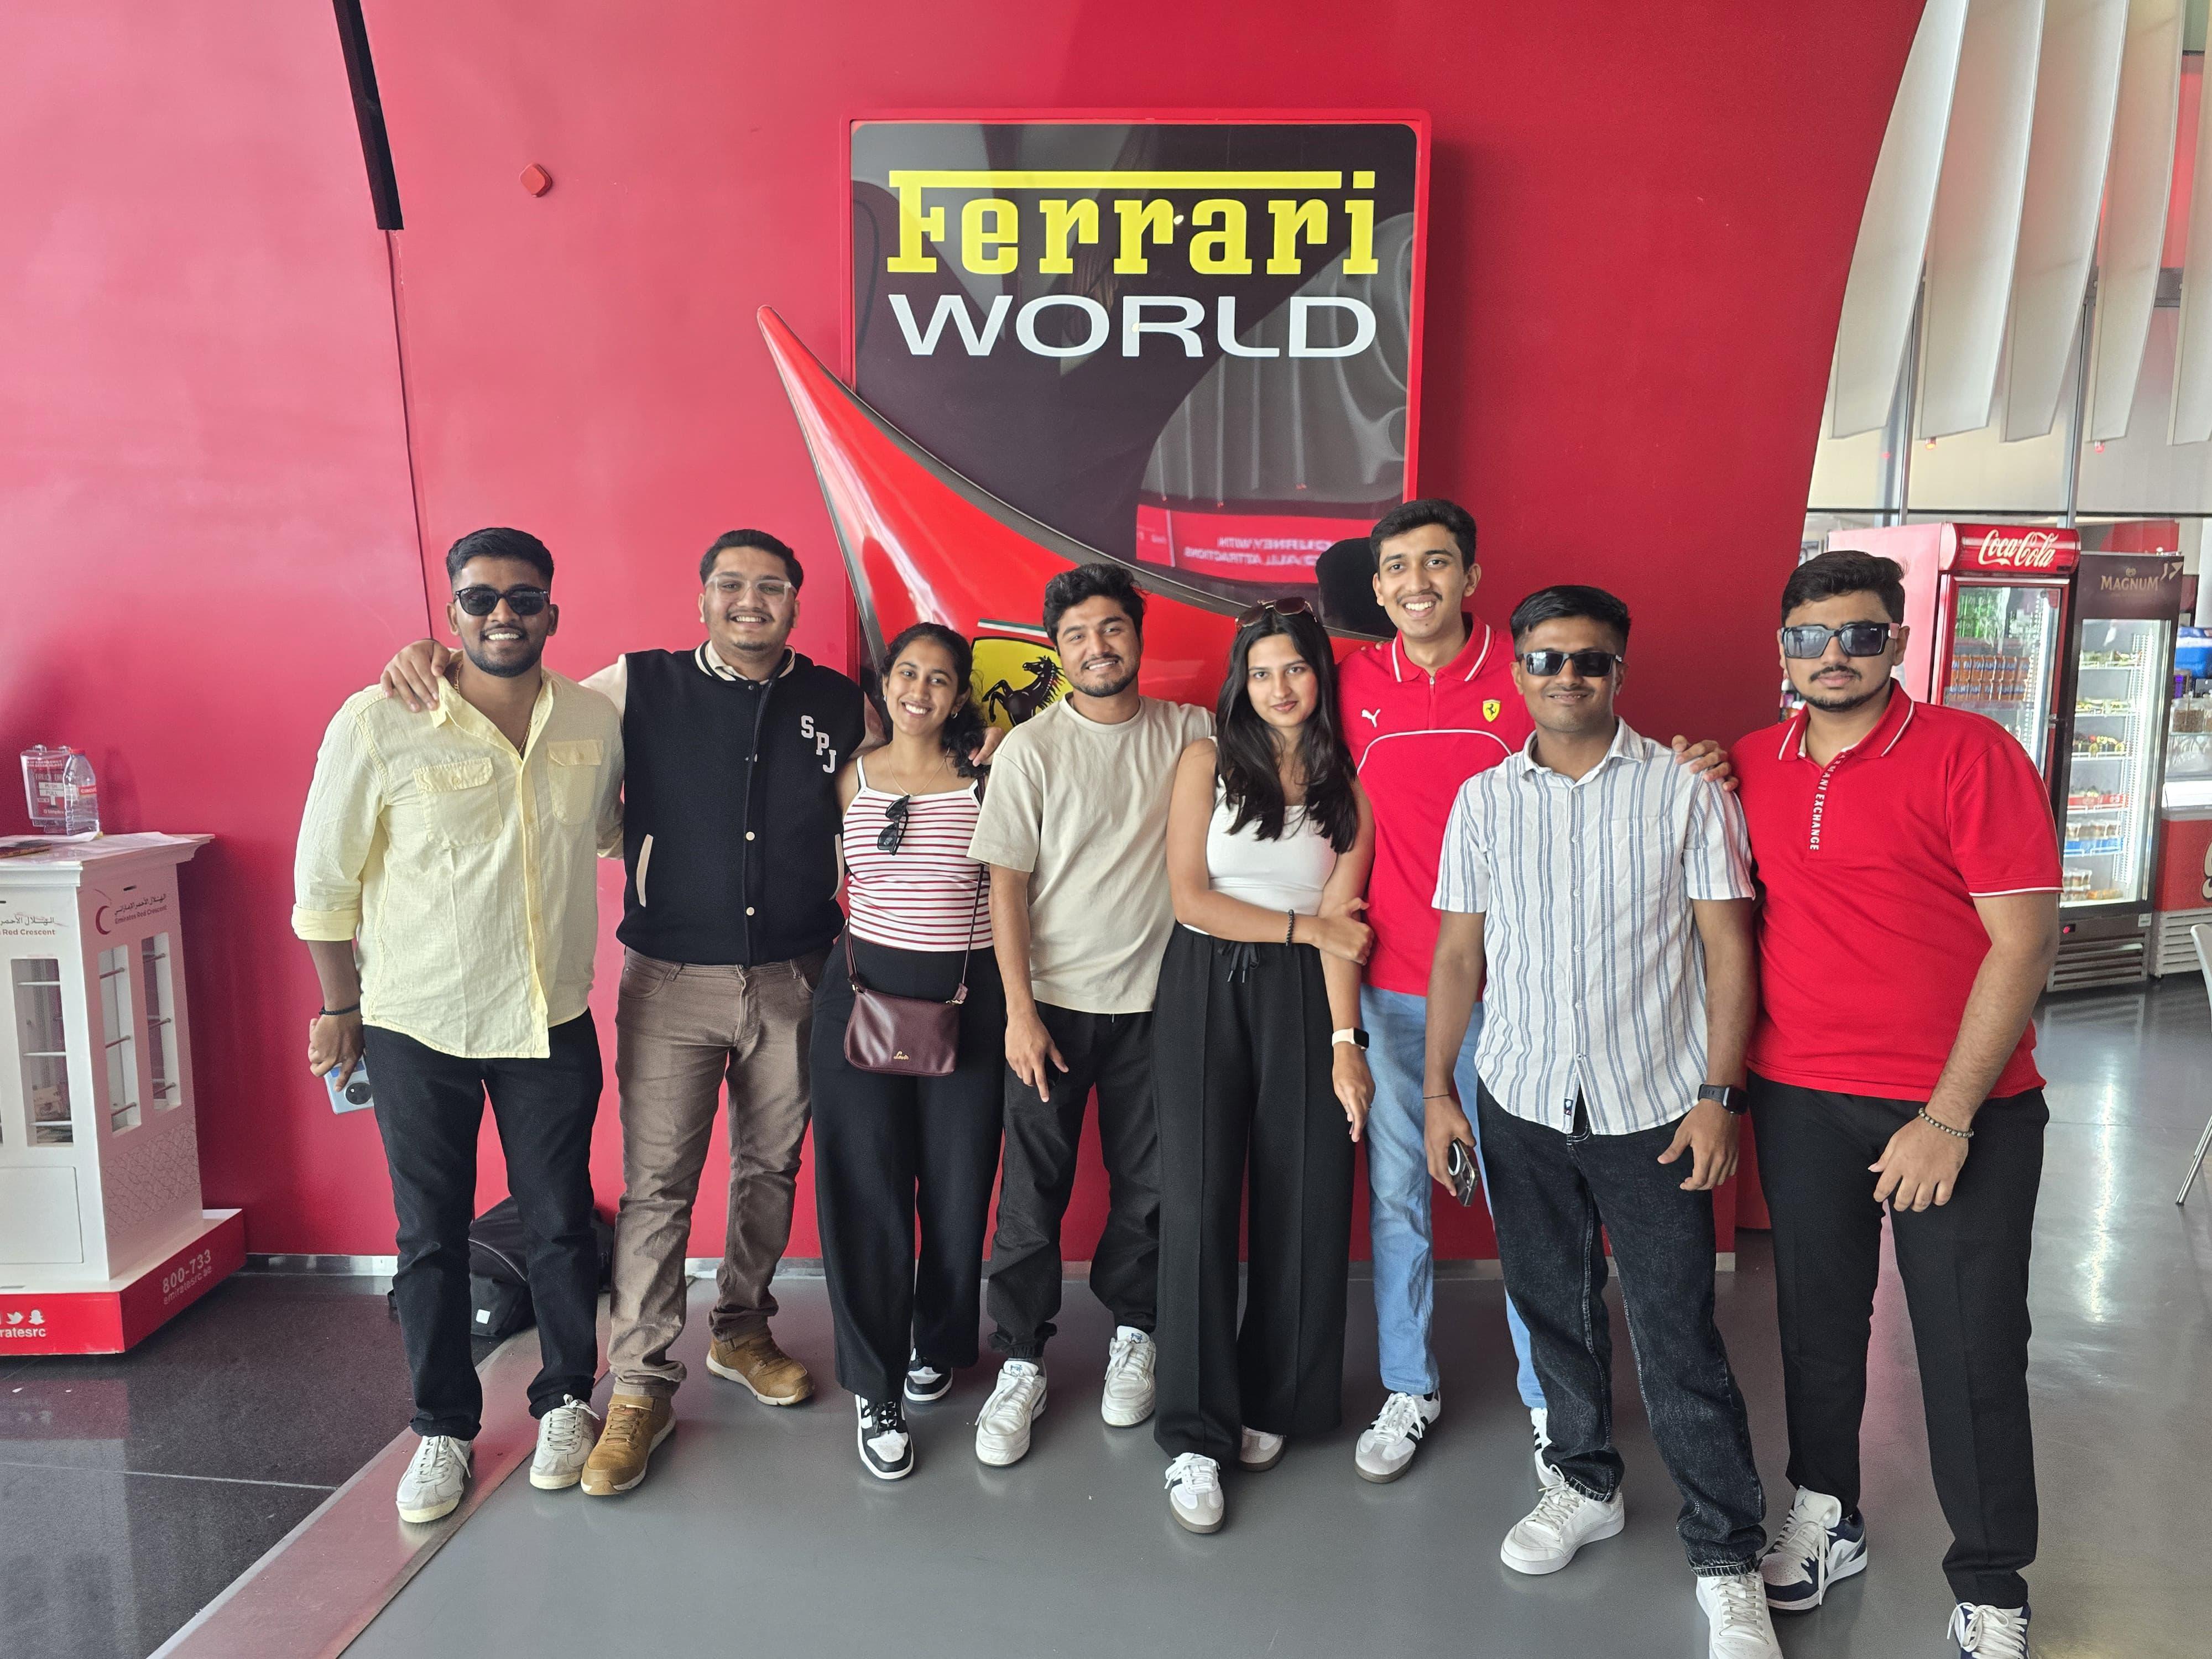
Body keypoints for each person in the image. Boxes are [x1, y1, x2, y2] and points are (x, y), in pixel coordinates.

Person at [379, 530, 867, 1497]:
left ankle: (742, 1327)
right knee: (659, 1186)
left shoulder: (839, 702)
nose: (750, 601)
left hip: (797, 974)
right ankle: (641, 1382)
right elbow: (524, 696)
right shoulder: (635, 686)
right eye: (730, 584)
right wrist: (435, 658)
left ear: (795, 603)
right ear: (702, 598)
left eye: (771, 587)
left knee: (771, 1166)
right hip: (671, 979)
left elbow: (895, 787)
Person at [1336, 498, 1733, 1485]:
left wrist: (1703, 762)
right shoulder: (1351, 683)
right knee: (1398, 1201)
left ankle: (1551, 1404)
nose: (1417, 583)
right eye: (1398, 567)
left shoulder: (1528, 673)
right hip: (1394, 987)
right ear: (1377, 586)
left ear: (1471, 577)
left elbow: (1611, 766)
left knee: (1537, 1224)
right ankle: (1409, 1385)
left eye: (1437, 563)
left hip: (1523, 1003)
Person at [1422, 586, 1783, 1659]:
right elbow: (1457, 954)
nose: (1567, 676)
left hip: (1653, 1108)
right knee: (1552, 1312)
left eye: (1589, 660)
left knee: (1678, 1334)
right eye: (1547, 659)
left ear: (1619, 672)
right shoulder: (1483, 801)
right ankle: (1584, 1483)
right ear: (1518, 671)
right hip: (1521, 1097)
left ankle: (1727, 1558)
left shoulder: (1685, 791)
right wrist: (1439, 1089)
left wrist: (1720, 1095)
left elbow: (1727, 948)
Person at [1732, 551, 2060, 1659]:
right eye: (1810, 636)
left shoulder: (1972, 754)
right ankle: (1827, 1510)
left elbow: (2024, 944)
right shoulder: (1750, 762)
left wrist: (1947, 1116)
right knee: (1816, 1325)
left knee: (1971, 1347)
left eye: (1861, 634)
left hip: (1963, 1111)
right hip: (1799, 1095)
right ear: (1783, 647)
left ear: (1899, 642)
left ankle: (1991, 1583)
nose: (1833, 655)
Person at [296, 528, 623, 1524]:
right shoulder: (378, 721)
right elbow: (323, 886)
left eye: (524, 598)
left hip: (550, 1018)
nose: (503, 615)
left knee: (561, 1224)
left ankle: (565, 1401)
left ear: (553, 611)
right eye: (481, 599)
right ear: (452, 614)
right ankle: (442, 1428)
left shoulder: (592, 719)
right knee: (428, 1234)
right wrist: (340, 1008)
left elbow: (613, 831)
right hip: (418, 1022)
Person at [965, 562, 1214, 1467]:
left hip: (1159, 1009)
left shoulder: (1192, 733)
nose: (1097, 647)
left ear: (1137, 637)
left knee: (1151, 1189)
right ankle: (1021, 1358)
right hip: (1054, 1011)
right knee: (1031, 1197)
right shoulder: (1032, 748)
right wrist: (1018, 1013)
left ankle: (1135, 1332)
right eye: (1076, 636)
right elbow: (1006, 887)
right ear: (1058, 652)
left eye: (1111, 629)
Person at [1151, 600, 1376, 1533]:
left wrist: (1345, 1045)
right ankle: (1194, 1434)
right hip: (1206, 981)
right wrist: (1301, 927)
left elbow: (1345, 928)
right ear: (1240, 683)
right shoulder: (1205, 760)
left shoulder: (1348, 782)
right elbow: (1191, 898)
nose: (1279, 687)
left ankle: (1277, 1396)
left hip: (1305, 996)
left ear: (1319, 675)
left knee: (1306, 1193)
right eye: (1261, 672)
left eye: (1295, 668)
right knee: (1199, 1202)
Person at [810, 623, 1002, 1480]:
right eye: (906, 674)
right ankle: (873, 1384)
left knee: (960, 1185)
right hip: (860, 997)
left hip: (970, 997)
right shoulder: (849, 777)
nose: (919, 691)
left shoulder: (989, 776)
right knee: (865, 1190)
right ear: (884, 685)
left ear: (959, 694)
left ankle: (940, 1340)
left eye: (939, 679)